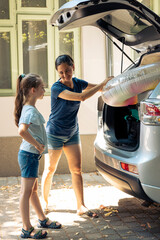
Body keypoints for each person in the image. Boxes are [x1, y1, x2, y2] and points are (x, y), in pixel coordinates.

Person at [41, 55, 113, 218]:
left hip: (72, 132)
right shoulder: (56, 88)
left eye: (67, 70)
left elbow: (102, 89)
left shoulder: (78, 83)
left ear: (73, 67)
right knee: (50, 169)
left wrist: (113, 83)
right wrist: (102, 83)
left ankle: (81, 206)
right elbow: (82, 97)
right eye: (61, 73)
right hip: (54, 133)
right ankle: (44, 202)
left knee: (76, 170)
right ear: (58, 73)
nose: (65, 75)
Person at [14, 73, 61, 239]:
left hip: (31, 155)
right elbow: (22, 131)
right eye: (42, 87)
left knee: (32, 190)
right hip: (28, 155)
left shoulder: (30, 109)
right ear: (33, 90)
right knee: (26, 192)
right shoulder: (29, 110)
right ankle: (26, 229)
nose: (44, 90)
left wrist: (37, 146)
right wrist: (36, 144)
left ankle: (42, 219)